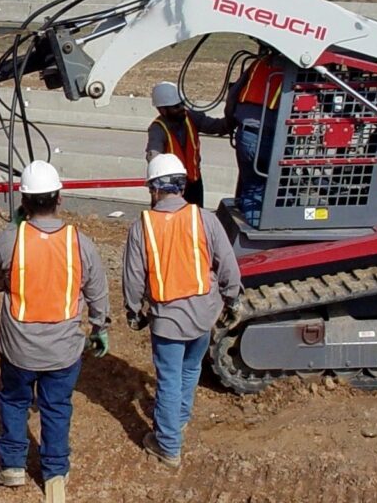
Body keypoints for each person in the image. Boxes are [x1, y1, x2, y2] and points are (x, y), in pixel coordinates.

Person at [0, 160, 110, 502]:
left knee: (14, 400)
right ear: (59, 199)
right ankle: (54, 474)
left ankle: (12, 466)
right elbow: (97, 289)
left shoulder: (13, 238)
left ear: (23, 202)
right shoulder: (79, 242)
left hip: (18, 348)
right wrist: (99, 325)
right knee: (56, 407)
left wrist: (13, 230)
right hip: (63, 350)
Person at [123, 154, 241, 469]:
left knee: (169, 378)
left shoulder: (143, 227)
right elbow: (227, 263)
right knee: (190, 370)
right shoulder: (204, 218)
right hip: (204, 313)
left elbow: (133, 277)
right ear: (182, 184)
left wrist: (134, 311)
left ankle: (168, 445)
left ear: (153, 189)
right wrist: (231, 299)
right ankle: (180, 418)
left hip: (168, 321)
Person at [146, 81, 230, 207]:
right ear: (162, 110)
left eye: (182, 104)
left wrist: (234, 117)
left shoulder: (191, 118)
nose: (182, 109)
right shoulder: (158, 129)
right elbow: (154, 154)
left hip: (194, 183)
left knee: (195, 219)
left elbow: (217, 127)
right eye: (176, 107)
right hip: (171, 188)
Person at [225, 51, 283, 225]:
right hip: (267, 138)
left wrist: (230, 123)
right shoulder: (291, 71)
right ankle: (257, 229)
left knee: (251, 186)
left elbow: (233, 95)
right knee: (261, 191)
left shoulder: (258, 64)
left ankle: (248, 218)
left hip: (246, 135)